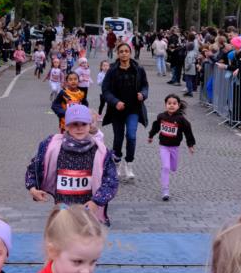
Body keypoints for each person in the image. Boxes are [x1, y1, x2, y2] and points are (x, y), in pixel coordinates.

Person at [25, 103, 118, 224]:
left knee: (85, 241)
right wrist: (33, 188)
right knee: (64, 241)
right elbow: (33, 168)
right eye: (74, 124)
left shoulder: (100, 152)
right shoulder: (52, 148)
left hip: (88, 210)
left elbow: (111, 180)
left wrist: (96, 202)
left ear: (90, 126)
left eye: (83, 124)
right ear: (66, 126)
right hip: (62, 210)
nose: (79, 128)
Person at [101, 41, 149, 182]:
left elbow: (145, 86)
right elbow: (105, 90)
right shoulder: (112, 70)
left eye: (126, 51)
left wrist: (143, 94)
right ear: (118, 53)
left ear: (130, 52)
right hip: (117, 110)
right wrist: (115, 102)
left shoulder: (138, 69)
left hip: (134, 109)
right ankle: (116, 164)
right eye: (121, 51)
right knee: (118, 138)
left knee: (131, 136)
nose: (124, 53)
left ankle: (129, 164)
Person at [148, 93, 196, 201]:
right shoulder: (161, 116)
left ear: (178, 105)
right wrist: (151, 136)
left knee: (173, 168)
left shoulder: (181, 119)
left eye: (174, 103)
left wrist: (190, 145)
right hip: (163, 146)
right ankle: (165, 190)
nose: (171, 105)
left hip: (174, 147)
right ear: (165, 105)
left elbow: (188, 131)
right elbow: (155, 126)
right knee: (165, 167)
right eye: (169, 103)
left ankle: (171, 167)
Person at [183, 32, 200, 97]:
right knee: (189, 80)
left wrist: (186, 67)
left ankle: (190, 91)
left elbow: (189, 62)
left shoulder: (190, 54)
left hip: (189, 69)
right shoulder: (192, 53)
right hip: (191, 68)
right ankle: (189, 91)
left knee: (188, 80)